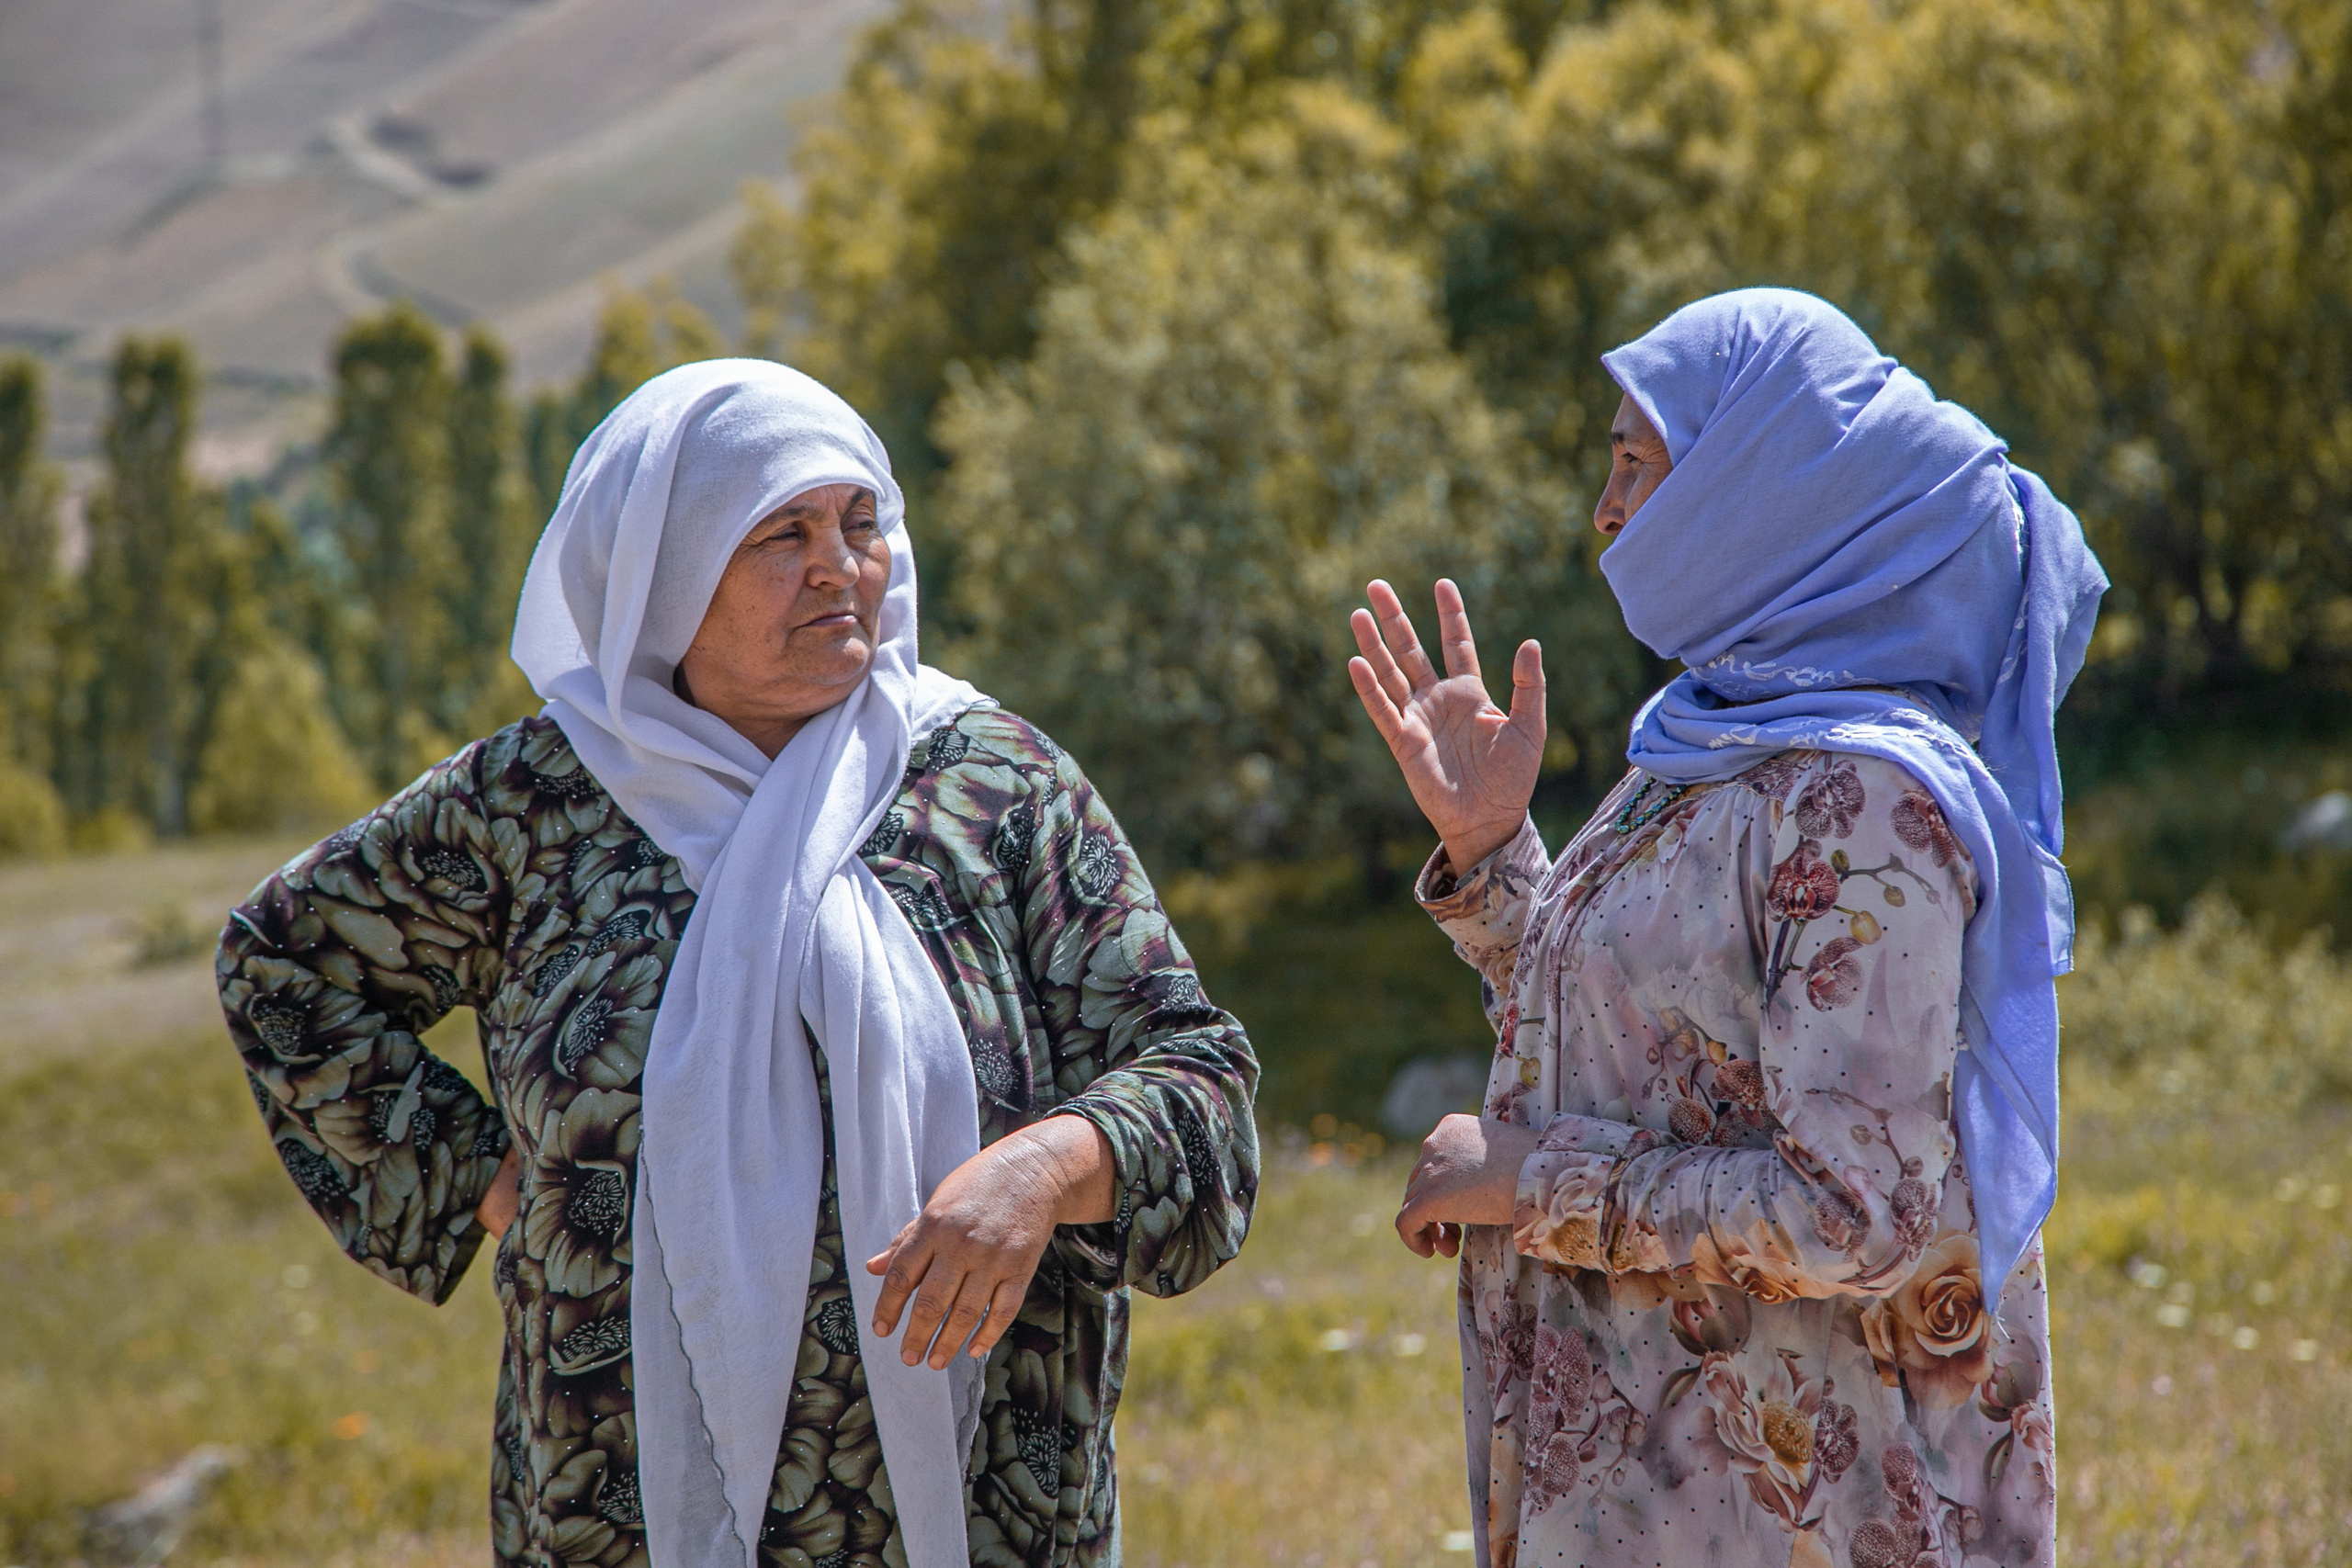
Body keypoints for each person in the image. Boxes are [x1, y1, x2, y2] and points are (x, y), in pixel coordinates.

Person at [217, 361, 1259, 1568]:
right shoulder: (534, 803)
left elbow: (1199, 1076)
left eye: (859, 523)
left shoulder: (991, 785)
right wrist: (484, 1182)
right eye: (783, 533)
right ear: (666, 575)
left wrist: (1044, 1168)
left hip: (989, 1501)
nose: (838, 566)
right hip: (614, 1503)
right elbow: (286, 962)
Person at [1348, 289, 2102, 1568]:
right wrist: (1489, 852)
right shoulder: (1716, 741)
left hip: (1799, 1510)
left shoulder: (1864, 803)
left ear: (1760, 490)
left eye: (1636, 463)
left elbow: (1855, 1215)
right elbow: (1645, 1047)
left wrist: (1531, 1180)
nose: (1605, 510)